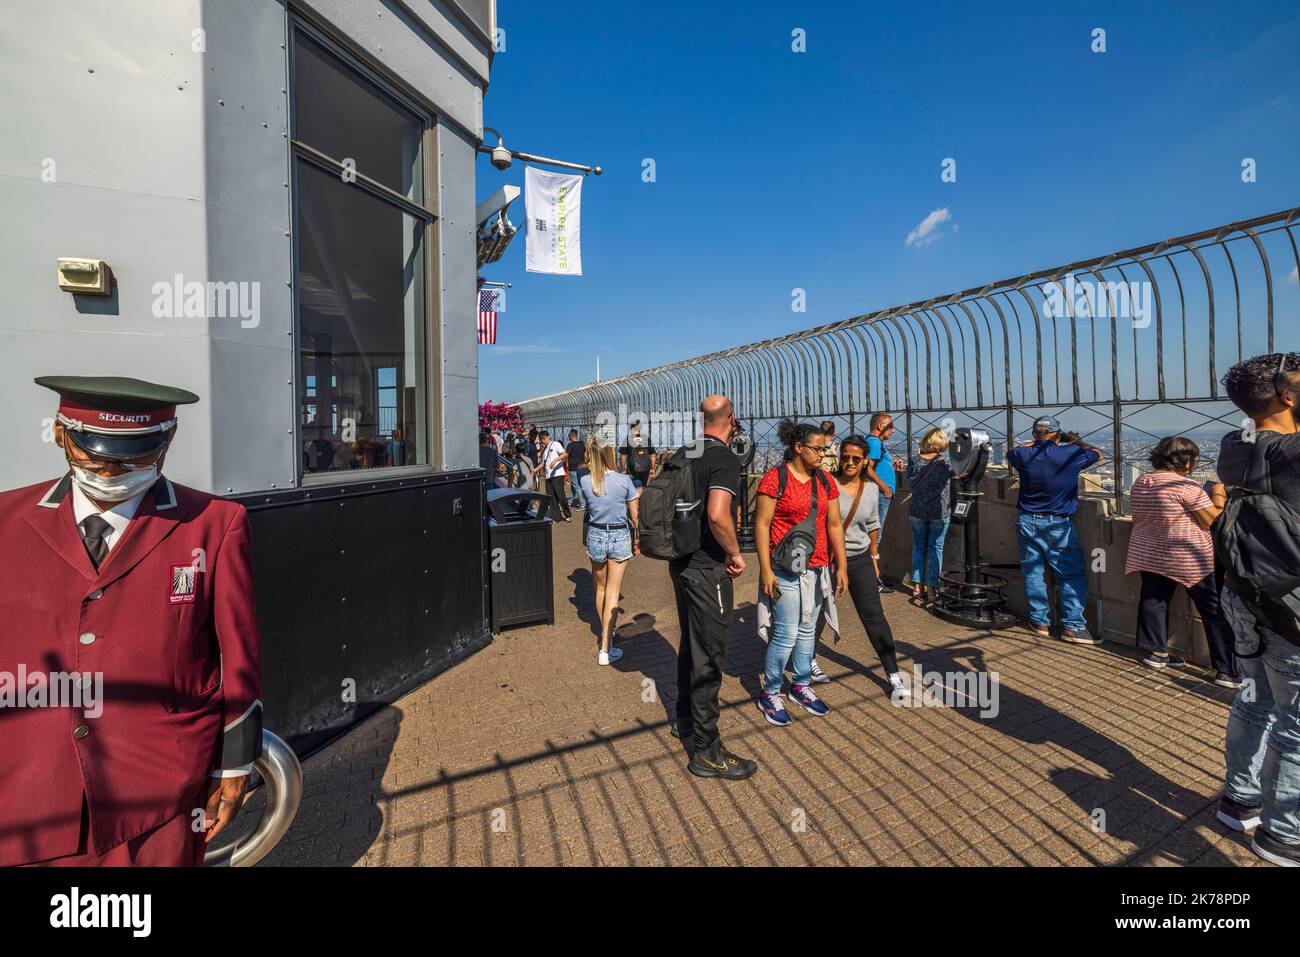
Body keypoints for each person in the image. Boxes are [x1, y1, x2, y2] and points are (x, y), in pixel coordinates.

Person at [0, 376, 262, 867]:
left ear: (168, 442)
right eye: (95, 454)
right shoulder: (4, 522)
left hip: (159, 789)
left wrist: (237, 762)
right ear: (61, 436)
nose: (114, 470)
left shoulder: (214, 524)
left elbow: (239, 655)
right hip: (27, 786)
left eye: (138, 455)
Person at [1213, 352, 1300, 866]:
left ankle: (1239, 797)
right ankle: (1283, 834)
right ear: (1288, 396)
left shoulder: (1232, 445)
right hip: (1290, 603)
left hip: (1245, 595)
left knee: (1255, 699)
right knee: (1296, 723)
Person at [668, 395, 757, 780]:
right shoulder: (724, 459)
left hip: (681, 562)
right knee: (710, 656)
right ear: (731, 419)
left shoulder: (685, 450)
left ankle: (685, 719)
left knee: (691, 643)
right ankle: (706, 750)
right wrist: (735, 553)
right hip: (708, 568)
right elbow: (720, 514)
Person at [753, 420, 849, 727]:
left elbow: (834, 524)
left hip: (817, 567)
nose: (824, 454)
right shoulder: (774, 479)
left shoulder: (825, 482)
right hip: (784, 569)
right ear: (798, 448)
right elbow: (762, 525)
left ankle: (801, 684)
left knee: (808, 630)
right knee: (786, 632)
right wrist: (765, 569)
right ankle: (770, 692)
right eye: (818, 449)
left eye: (825, 448)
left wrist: (841, 565)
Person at [1124, 436, 1238, 686]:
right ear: (1186, 462)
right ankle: (1227, 670)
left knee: (1154, 600)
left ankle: (1156, 653)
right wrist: (1218, 495)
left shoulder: (1142, 481)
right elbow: (1213, 521)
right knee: (1213, 610)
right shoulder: (1186, 487)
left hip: (1150, 553)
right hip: (1188, 558)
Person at [1006, 416, 1104, 644]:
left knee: (1033, 572)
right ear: (1058, 435)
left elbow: (1013, 451)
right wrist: (1074, 441)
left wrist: (1037, 442)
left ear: (1033, 435)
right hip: (1058, 524)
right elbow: (1098, 453)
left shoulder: (1023, 455)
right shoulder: (1069, 453)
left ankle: (1040, 622)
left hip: (1028, 520)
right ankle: (1073, 626)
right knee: (1070, 574)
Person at [822, 434, 907, 697]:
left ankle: (893, 673)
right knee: (812, 615)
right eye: (845, 457)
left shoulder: (870, 489)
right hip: (827, 559)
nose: (849, 462)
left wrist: (874, 557)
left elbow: (872, 524)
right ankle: (807, 664)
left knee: (874, 617)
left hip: (858, 559)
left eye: (855, 458)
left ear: (864, 461)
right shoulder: (827, 484)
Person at [581, 438, 639, 665]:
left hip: (595, 535)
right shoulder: (624, 480)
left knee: (601, 589)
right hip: (618, 535)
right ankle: (606, 646)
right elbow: (635, 517)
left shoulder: (586, 481)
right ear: (609, 455)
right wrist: (638, 539)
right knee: (614, 592)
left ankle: (606, 631)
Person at [907, 427, 955, 603]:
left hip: (917, 511)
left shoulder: (913, 461)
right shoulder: (945, 463)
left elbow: (910, 477)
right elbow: (961, 474)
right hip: (939, 512)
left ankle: (917, 587)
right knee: (936, 549)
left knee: (918, 547)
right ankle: (932, 589)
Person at [863, 412, 903, 592]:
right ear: (880, 426)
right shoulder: (874, 441)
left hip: (878, 495)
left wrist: (891, 469)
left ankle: (873, 577)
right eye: (890, 426)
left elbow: (875, 467)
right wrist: (884, 487)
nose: (893, 431)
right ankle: (874, 580)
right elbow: (868, 468)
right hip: (879, 495)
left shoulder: (873, 442)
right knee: (874, 538)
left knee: (873, 537)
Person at [532, 429, 571, 522]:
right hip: (548, 476)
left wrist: (555, 460)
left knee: (560, 495)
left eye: (543, 438)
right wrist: (536, 469)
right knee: (551, 498)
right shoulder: (545, 449)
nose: (542, 440)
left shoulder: (556, 444)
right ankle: (556, 517)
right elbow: (543, 463)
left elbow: (565, 454)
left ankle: (568, 514)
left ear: (548, 437)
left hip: (557, 474)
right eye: (541, 439)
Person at [621, 420, 657, 488]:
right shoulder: (647, 439)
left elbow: (623, 457)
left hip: (633, 471)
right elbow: (653, 456)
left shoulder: (627, 440)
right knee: (643, 487)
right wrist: (652, 469)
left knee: (635, 489)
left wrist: (623, 469)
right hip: (645, 469)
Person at [566, 429, 588, 510]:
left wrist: (566, 463)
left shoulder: (570, 445)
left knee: (577, 486)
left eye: (568, 436)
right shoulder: (582, 444)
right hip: (582, 468)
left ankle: (582, 504)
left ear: (571, 436)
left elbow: (566, 455)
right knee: (574, 485)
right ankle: (569, 502)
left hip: (573, 468)